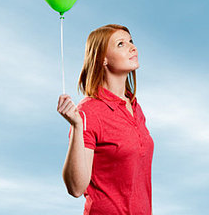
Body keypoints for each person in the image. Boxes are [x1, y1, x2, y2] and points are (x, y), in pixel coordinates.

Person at [57, 24, 154, 215]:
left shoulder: (134, 106)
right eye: (120, 44)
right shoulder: (88, 112)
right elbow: (76, 188)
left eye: (131, 41)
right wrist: (77, 126)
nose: (132, 47)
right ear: (102, 59)